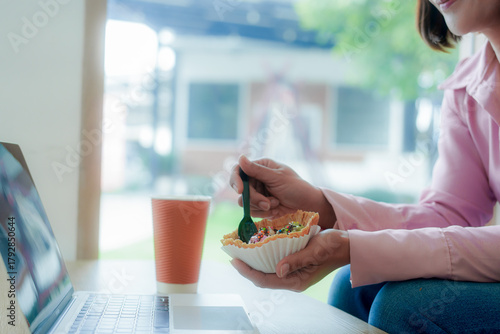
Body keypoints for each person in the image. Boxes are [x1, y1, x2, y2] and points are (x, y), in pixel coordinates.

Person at [229, 0, 500, 332]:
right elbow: (448, 218)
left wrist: (358, 247)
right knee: (353, 286)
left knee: (401, 307)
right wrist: (321, 209)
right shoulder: (466, 90)